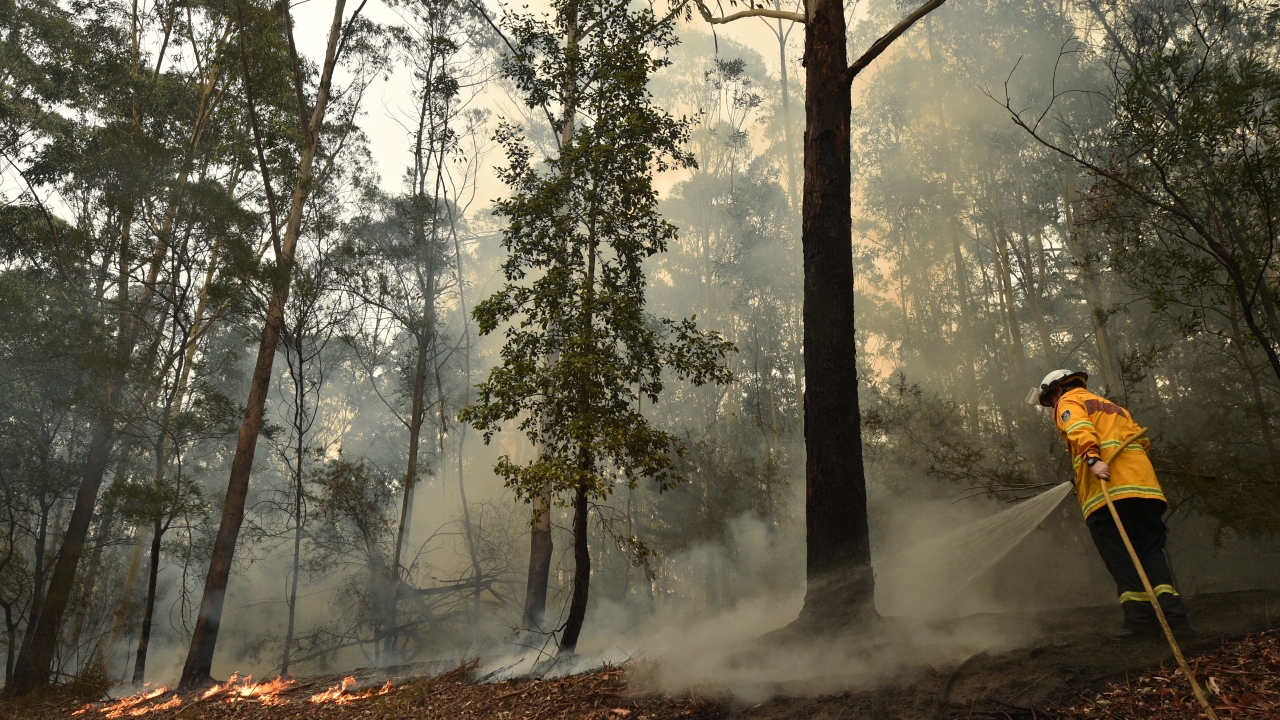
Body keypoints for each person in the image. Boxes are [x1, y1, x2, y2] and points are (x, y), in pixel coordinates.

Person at [1033, 369, 1190, 636]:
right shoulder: (1113, 407)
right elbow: (1142, 442)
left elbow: (1078, 429)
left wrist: (1092, 460)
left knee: (1120, 555)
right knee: (1151, 550)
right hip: (1145, 489)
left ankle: (1141, 623)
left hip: (1107, 491)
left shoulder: (1069, 403)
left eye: (1050, 399)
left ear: (1058, 390)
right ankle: (1175, 620)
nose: (1052, 405)